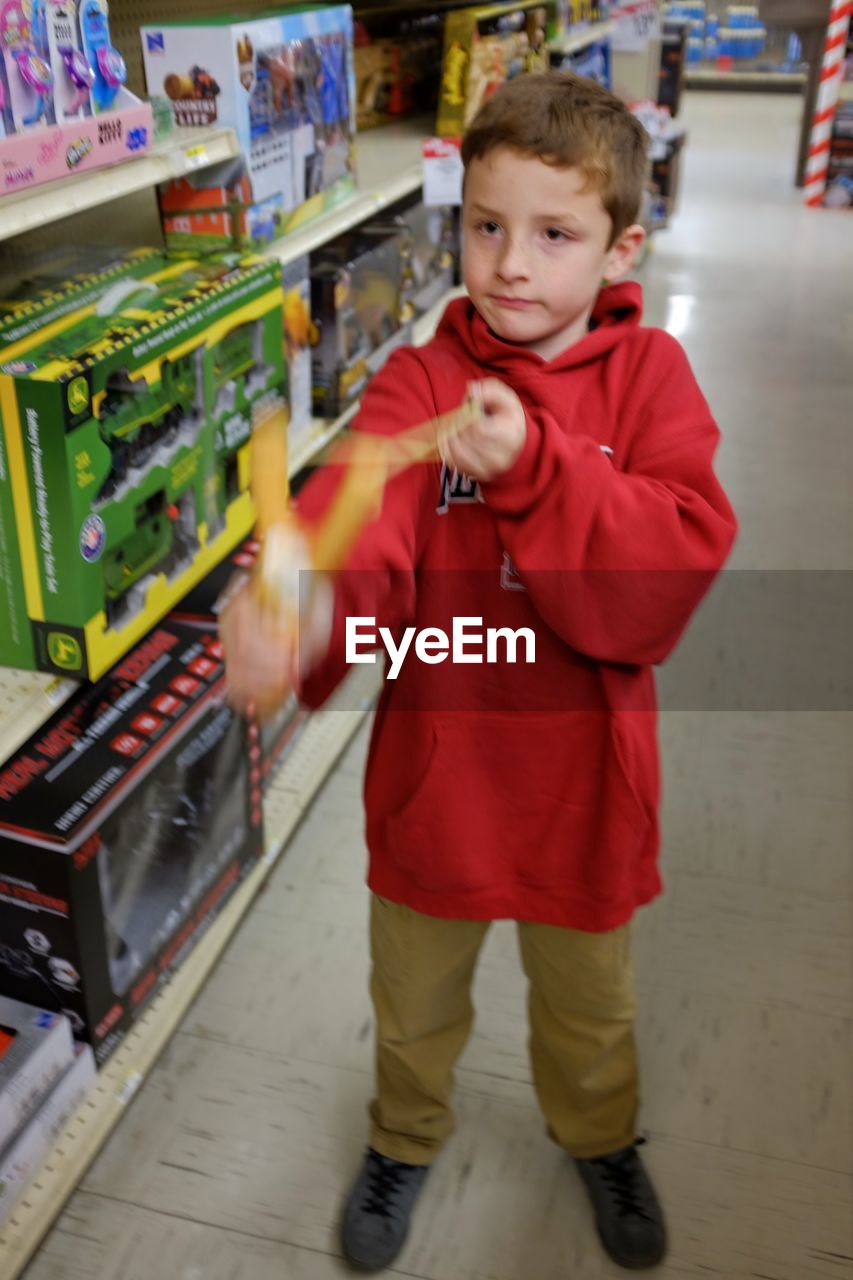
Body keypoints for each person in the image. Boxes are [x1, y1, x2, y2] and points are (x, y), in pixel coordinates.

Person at [222, 71, 737, 1274]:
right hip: (435, 782)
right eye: (485, 226)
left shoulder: (651, 382)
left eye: (554, 235)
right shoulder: (418, 384)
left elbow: (658, 584)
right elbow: (366, 535)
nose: (510, 265)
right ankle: (404, 1135)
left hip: (584, 792)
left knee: (589, 1012)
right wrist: (299, 616)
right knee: (411, 1005)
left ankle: (599, 1133)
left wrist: (536, 469)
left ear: (621, 249)